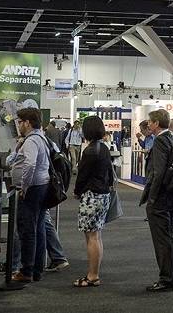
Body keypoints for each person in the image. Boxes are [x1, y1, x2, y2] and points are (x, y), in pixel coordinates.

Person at [140, 109, 173, 292]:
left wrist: (153, 198)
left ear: (156, 123)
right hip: (171, 197)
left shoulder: (160, 141)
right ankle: (171, 278)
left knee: (162, 240)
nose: (148, 124)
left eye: (150, 121)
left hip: (161, 199)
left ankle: (166, 279)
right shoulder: (171, 138)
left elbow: (158, 172)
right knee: (168, 238)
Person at [10, 108, 50, 283]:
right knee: (38, 229)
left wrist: (24, 186)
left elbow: (30, 164)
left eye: (20, 122)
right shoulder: (40, 138)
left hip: (32, 189)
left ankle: (27, 271)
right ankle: (36, 270)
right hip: (41, 186)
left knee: (27, 230)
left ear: (27, 123)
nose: (18, 125)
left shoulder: (32, 140)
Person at [73, 115, 114, 287]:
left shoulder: (90, 151)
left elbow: (82, 176)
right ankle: (93, 273)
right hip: (103, 195)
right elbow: (110, 173)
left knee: (92, 237)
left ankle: (92, 275)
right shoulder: (103, 148)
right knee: (96, 236)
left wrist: (77, 192)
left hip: (92, 196)